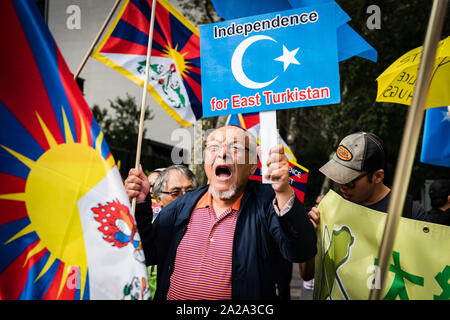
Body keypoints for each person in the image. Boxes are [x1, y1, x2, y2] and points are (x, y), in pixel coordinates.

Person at [126, 125, 317, 300]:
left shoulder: (267, 203)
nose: (222, 153)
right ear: (205, 162)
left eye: (235, 148)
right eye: (214, 147)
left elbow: (301, 251)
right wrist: (141, 203)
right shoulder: (182, 205)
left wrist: (284, 192)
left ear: (252, 165)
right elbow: (148, 253)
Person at [302, 132, 427, 277]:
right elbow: (307, 274)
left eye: (349, 180)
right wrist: (308, 237)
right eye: (338, 177)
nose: (342, 186)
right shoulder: (331, 207)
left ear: (377, 176)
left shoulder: (410, 214)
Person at [125, 164, 198, 300]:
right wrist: (140, 203)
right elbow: (145, 251)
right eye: (175, 193)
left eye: (190, 192)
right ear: (158, 199)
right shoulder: (159, 225)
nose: (185, 199)